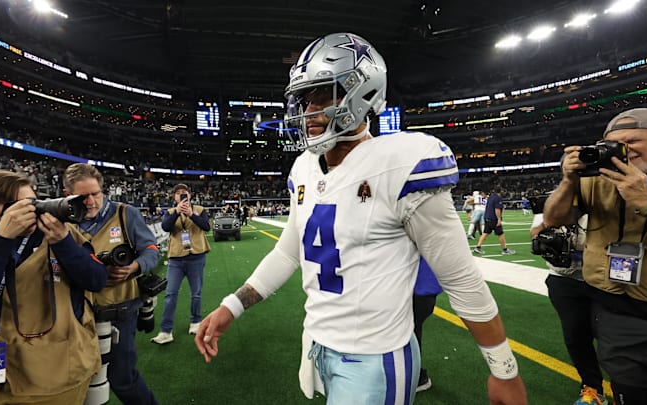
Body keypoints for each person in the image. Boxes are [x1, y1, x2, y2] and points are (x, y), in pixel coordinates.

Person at [194, 32, 526, 404]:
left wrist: (503, 370)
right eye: (303, 99)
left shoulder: (402, 163)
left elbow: (461, 278)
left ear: (361, 92)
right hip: (318, 344)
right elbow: (289, 253)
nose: (308, 111)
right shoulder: (304, 168)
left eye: (322, 95)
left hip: (375, 358)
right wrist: (232, 305)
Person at [543, 107, 647, 405]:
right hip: (616, 310)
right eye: (615, 142)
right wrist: (569, 180)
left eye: (633, 140)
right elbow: (554, 218)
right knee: (628, 392)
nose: (623, 150)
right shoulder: (595, 177)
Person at [0, 170, 107, 404]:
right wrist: (3, 240)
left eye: (31, 204)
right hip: (8, 371)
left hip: (63, 364)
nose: (27, 213)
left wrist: (63, 242)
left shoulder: (61, 233)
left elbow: (97, 280)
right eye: (16, 207)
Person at [63, 163, 160, 405]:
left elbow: (151, 250)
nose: (91, 201)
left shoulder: (126, 213)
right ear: (67, 195)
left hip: (120, 310)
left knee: (122, 378)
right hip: (76, 315)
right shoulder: (62, 221)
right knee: (79, 382)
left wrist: (134, 267)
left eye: (95, 194)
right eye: (82, 196)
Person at [530, 213, 607, 405]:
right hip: (565, 277)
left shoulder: (609, 195)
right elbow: (535, 234)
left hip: (607, 278)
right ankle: (592, 388)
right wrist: (555, 219)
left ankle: (632, 388)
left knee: (614, 337)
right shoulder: (557, 200)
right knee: (576, 336)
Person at [152, 183, 210, 344]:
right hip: (176, 258)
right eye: (178, 193)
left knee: (196, 292)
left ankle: (196, 322)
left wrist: (191, 214)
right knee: (170, 294)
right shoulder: (170, 212)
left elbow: (206, 226)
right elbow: (165, 227)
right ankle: (165, 331)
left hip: (196, 256)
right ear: (174, 198)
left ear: (189, 195)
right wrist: (178, 212)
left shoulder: (199, 209)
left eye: (184, 192)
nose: (181, 195)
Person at [413, 258, 442, 393]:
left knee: (409, 332)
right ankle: (416, 376)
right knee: (411, 331)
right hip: (419, 286)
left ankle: (416, 377)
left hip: (418, 287)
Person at [474, 186, 516, 255]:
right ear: (501, 191)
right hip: (494, 219)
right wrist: (499, 219)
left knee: (485, 233)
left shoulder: (491, 197)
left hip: (487, 217)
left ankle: (478, 247)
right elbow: (497, 209)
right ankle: (505, 249)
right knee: (501, 234)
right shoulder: (497, 198)